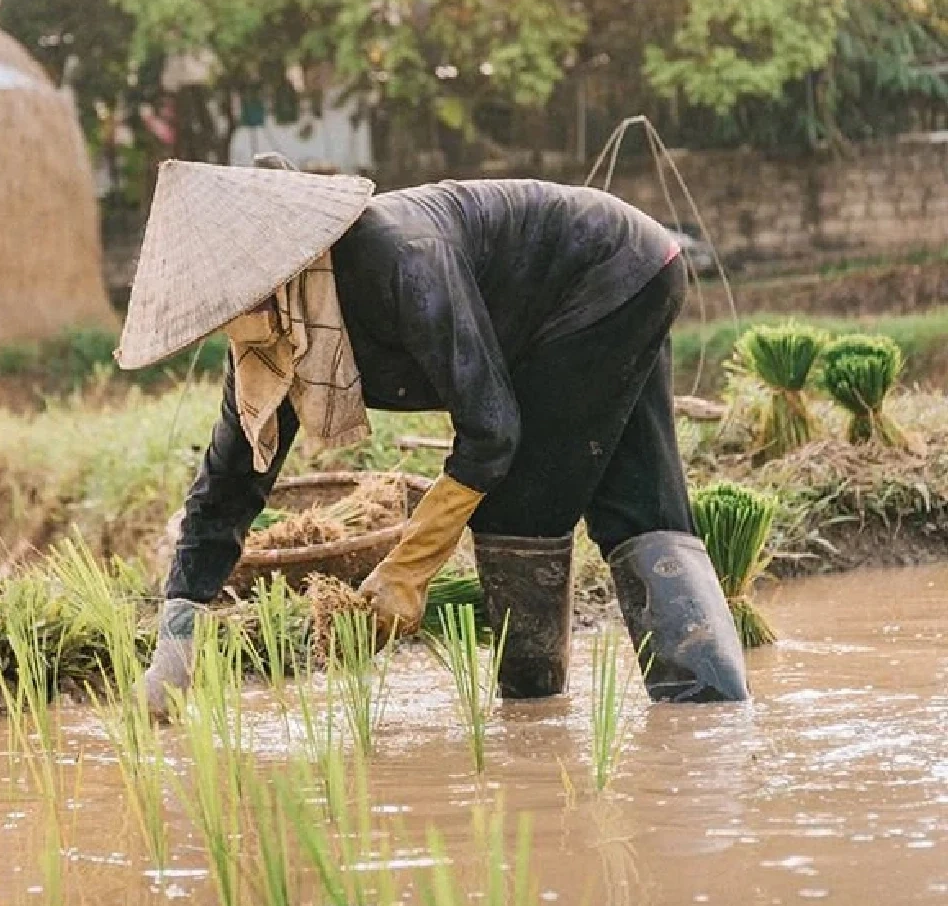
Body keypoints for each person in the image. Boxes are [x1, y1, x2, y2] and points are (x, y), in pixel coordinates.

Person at [118, 159, 747, 714]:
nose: (225, 324)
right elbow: (230, 481)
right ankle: (710, 715)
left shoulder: (397, 258)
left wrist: (407, 570)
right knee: (636, 498)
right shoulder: (274, 340)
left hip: (603, 275)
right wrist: (175, 643)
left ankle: (532, 712)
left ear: (272, 270)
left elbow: (491, 430)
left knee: (522, 507)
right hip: (610, 284)